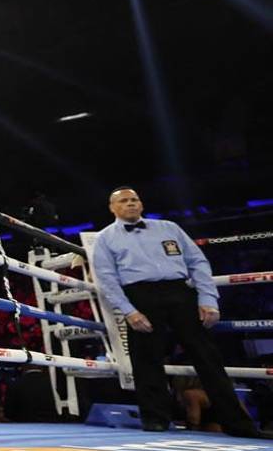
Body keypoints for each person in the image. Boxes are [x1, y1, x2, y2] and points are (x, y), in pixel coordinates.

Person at [90, 187, 271, 438]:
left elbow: (198, 262)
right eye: (123, 201)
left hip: (179, 291)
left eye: (134, 199)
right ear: (113, 208)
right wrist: (129, 311)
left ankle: (239, 424)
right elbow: (107, 279)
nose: (130, 204)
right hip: (139, 295)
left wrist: (208, 299)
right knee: (146, 360)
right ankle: (155, 421)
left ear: (141, 204)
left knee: (208, 358)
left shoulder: (169, 228)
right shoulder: (106, 238)